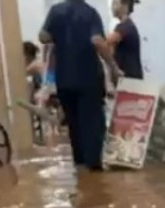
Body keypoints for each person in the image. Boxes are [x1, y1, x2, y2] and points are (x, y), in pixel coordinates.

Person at [40, 0, 121, 171]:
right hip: (88, 78)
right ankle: (94, 170)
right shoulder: (90, 13)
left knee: (74, 124)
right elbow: (97, 41)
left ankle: (81, 167)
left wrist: (60, 33)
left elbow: (43, 37)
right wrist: (113, 67)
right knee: (92, 124)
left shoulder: (55, 11)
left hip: (64, 79)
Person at [108, 0, 144, 81]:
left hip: (129, 79)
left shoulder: (125, 27)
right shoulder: (127, 25)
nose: (112, 7)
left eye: (115, 3)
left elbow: (105, 43)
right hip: (130, 77)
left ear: (125, 5)